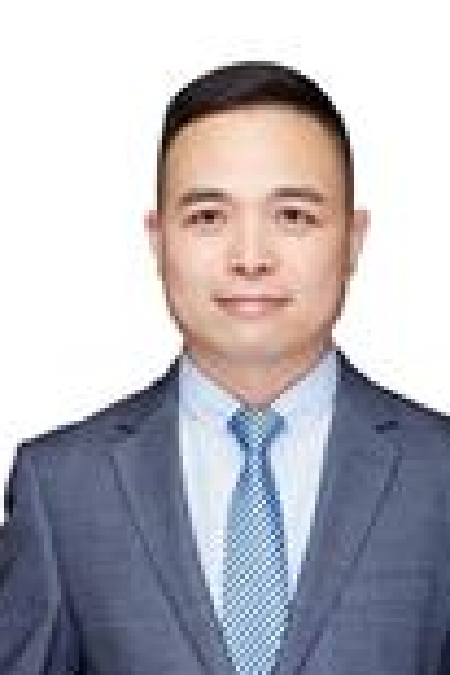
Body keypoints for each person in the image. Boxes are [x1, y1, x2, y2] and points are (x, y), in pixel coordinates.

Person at [1, 60, 449, 675]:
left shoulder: (439, 475)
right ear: (158, 241)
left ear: (353, 239)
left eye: (293, 216)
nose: (250, 258)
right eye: (208, 217)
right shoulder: (61, 488)